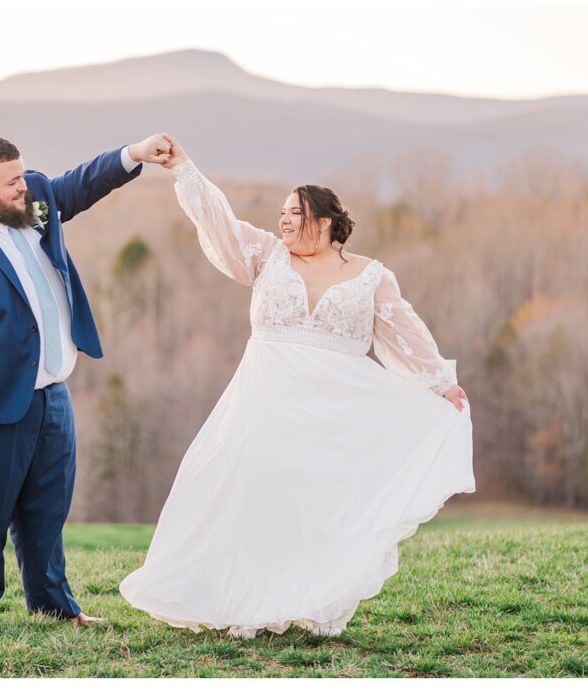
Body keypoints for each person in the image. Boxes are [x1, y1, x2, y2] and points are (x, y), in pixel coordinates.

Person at [119, 135, 476, 639]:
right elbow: (219, 225)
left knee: (318, 508)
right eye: (282, 212)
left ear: (326, 221)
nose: (283, 220)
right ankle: (244, 603)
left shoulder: (372, 276)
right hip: (266, 400)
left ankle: (311, 600)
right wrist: (185, 170)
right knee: (253, 496)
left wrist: (442, 383)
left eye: (294, 212)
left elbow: (405, 332)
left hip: (337, 412)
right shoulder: (267, 255)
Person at [0, 134, 171, 630]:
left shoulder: (34, 197)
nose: (24, 188)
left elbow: (80, 184)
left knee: (48, 506)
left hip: (52, 389)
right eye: (12, 182)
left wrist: (134, 154)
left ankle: (53, 603)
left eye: (24, 176)